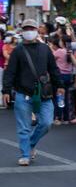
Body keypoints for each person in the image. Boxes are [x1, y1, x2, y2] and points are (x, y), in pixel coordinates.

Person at [2, 19, 62, 165]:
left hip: (44, 93)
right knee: (24, 127)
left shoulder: (45, 49)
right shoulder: (18, 50)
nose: (29, 31)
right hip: (23, 93)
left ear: (37, 30)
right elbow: (10, 72)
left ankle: (30, 145)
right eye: (26, 28)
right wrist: (6, 90)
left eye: (32, 28)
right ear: (22, 32)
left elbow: (53, 68)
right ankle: (25, 155)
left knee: (46, 123)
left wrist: (59, 85)